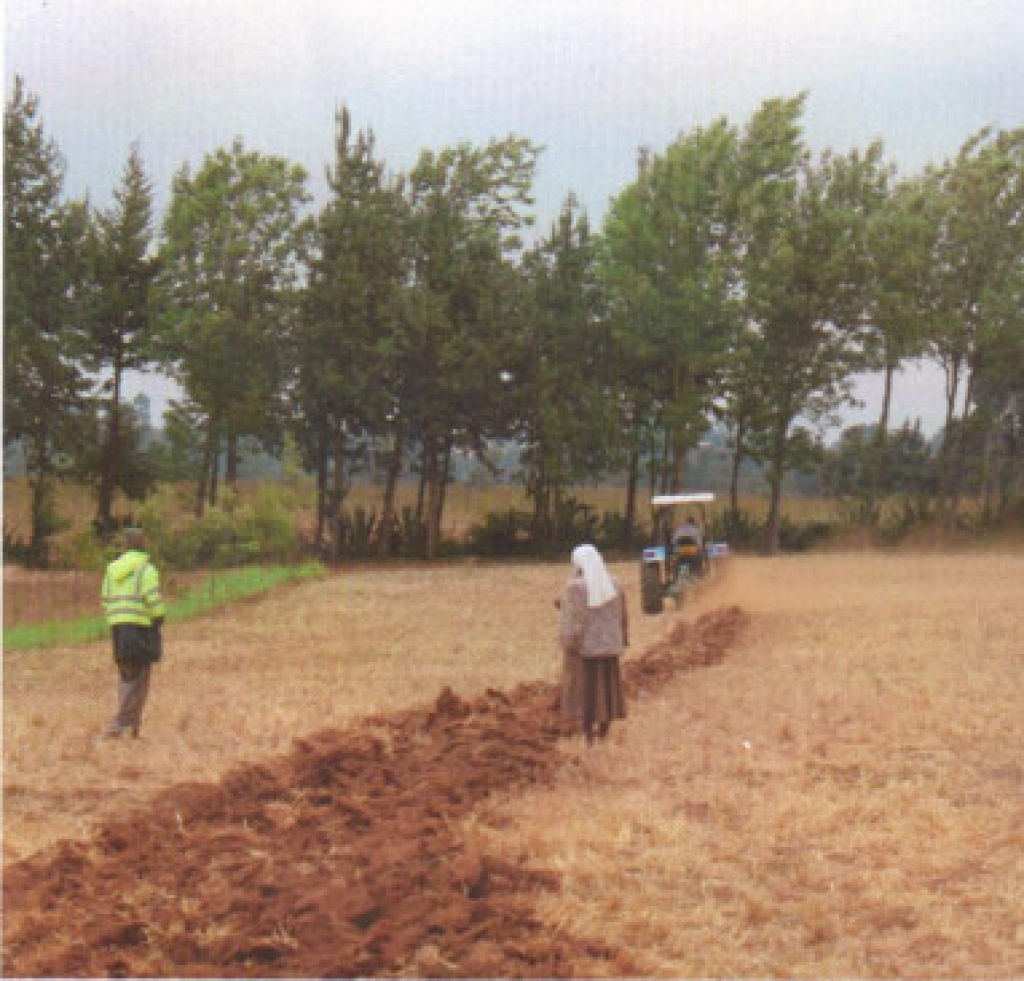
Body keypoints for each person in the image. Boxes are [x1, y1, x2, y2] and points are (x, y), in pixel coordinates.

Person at [558, 544, 628, 745]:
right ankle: (604, 732)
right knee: (607, 692)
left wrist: (568, 643)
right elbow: (622, 615)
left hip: (585, 651)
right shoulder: (615, 584)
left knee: (585, 693)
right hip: (610, 648)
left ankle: (588, 735)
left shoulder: (574, 587)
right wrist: (622, 639)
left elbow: (573, 620)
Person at [101, 528, 165, 738]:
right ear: (143, 544)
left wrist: (115, 618)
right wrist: (159, 616)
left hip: (118, 628)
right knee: (139, 678)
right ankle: (121, 723)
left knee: (126, 675)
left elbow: (105, 599)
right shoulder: (146, 570)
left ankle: (131, 725)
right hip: (139, 628)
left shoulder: (111, 569)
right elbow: (151, 597)